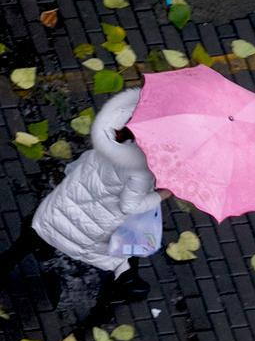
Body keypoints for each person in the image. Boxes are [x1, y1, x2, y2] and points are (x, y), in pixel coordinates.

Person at [1, 88, 171, 305]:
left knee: (29, 239)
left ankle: (5, 264)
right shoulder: (142, 170)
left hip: (57, 210)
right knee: (124, 253)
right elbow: (130, 206)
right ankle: (122, 286)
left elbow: (79, 166)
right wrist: (162, 194)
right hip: (87, 232)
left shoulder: (114, 135)